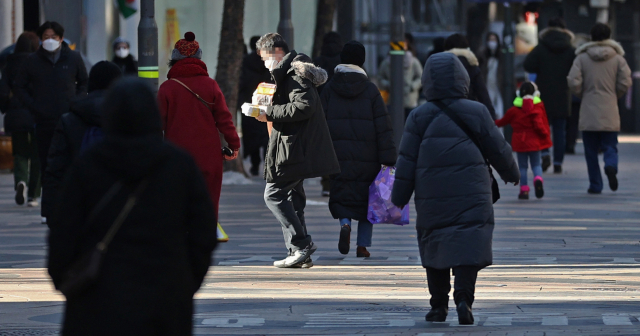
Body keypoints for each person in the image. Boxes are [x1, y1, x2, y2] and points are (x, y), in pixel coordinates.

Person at [47, 77, 217, 335]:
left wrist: (67, 280)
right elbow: (203, 231)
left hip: (96, 298)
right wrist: (185, 281)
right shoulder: (178, 165)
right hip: (165, 296)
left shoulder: (89, 165)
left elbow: (63, 231)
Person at [392, 53, 519, 325]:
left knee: (434, 244)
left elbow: (406, 159)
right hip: (472, 189)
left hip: (432, 193)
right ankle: (464, 299)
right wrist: (511, 173)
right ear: (463, 79)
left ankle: (438, 306)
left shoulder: (418, 116)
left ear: (428, 81)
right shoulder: (477, 111)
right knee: (468, 243)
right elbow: (497, 147)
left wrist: (399, 197)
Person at [254, 33, 340, 268]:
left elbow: (304, 106)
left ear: (276, 52)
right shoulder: (289, 73)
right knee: (293, 199)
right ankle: (298, 253)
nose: (264, 63)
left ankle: (301, 244)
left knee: (273, 194)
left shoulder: (294, 74)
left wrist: (268, 113)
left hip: (295, 148)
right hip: (293, 146)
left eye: (264, 58)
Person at [320, 41, 397, 258]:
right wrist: (389, 157)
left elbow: (320, 123)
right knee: (367, 201)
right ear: (362, 61)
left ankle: (345, 225)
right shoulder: (371, 90)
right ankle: (362, 246)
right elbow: (383, 126)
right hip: (368, 156)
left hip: (337, 154)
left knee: (342, 194)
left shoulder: (329, 89)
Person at [158, 32, 241, 217]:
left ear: (174, 58)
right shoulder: (210, 85)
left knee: (177, 200)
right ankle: (206, 234)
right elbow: (224, 119)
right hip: (208, 155)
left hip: (176, 155)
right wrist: (233, 144)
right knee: (208, 200)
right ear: (199, 57)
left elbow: (157, 124)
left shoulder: (167, 88)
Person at [13, 21, 89, 223]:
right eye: (45, 37)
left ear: (61, 39)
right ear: (40, 39)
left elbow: (84, 82)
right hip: (44, 121)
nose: (49, 40)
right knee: (48, 166)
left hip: (70, 119)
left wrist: (77, 102)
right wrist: (33, 105)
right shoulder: (32, 61)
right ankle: (50, 211)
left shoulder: (73, 58)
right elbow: (19, 86)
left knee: (71, 164)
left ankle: (72, 207)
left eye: (53, 37)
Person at [42, 61, 122, 220]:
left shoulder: (69, 120)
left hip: (80, 206)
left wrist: (50, 212)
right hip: (120, 207)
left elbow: (55, 170)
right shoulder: (128, 117)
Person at [567, 23, 631, 194]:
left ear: (591, 37)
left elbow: (573, 80)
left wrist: (583, 94)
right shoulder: (618, 58)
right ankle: (611, 165)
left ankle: (595, 184)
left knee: (590, 150)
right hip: (609, 107)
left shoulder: (581, 57)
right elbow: (626, 81)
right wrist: (614, 94)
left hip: (588, 108)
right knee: (610, 145)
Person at [523, 18, 576, 173]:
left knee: (542, 127)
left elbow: (528, 65)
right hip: (563, 93)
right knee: (560, 130)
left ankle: (545, 153)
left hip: (543, 93)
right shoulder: (571, 49)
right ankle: (558, 162)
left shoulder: (541, 47)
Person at [0, 32, 41, 207]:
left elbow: (2, 91)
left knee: (20, 154)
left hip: (15, 115)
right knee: (37, 155)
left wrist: (5, 108)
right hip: (37, 114)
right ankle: (33, 195)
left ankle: (20, 182)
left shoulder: (9, 65)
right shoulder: (39, 63)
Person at [495, 82, 552, 199]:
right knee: (536, 164)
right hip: (534, 142)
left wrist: (492, 123)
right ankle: (538, 179)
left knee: (522, 167)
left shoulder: (514, 110)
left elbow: (502, 122)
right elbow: (540, 125)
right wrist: (544, 135)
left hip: (520, 142)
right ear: (535, 94)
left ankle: (524, 190)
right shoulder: (537, 108)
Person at [313, 31, 344, 196]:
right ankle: (340, 181)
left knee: (325, 148)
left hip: (322, 111)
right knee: (342, 147)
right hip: (343, 110)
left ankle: (326, 184)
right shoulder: (344, 62)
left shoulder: (318, 62)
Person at [238, 36, 272, 176]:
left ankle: (254, 164)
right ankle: (267, 164)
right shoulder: (269, 61)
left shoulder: (245, 61)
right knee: (267, 136)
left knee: (252, 136)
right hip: (267, 102)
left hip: (249, 103)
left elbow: (242, 83)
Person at [444, 33, 496, 120]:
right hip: (469, 113)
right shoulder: (471, 65)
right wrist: (491, 117)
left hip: (445, 113)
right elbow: (482, 94)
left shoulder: (441, 65)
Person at [378, 37, 423, 118]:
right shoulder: (387, 62)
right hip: (392, 100)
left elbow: (421, 77)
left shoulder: (413, 61)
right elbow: (380, 77)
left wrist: (412, 86)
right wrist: (388, 85)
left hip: (409, 101)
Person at [481, 32, 504, 119]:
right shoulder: (483, 55)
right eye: (490, 40)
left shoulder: (501, 56)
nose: (492, 42)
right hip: (488, 86)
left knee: (500, 110)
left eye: (494, 40)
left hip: (499, 86)